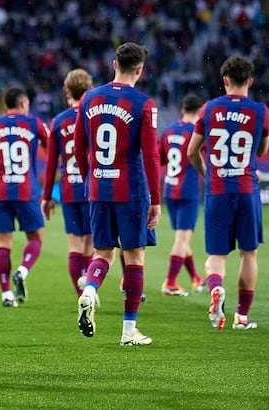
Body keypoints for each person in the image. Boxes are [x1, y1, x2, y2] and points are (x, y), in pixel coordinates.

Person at [72, 42, 161, 346]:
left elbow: (78, 149)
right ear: (139, 69)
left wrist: (90, 178)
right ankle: (128, 331)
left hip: (98, 186)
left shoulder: (88, 98)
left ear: (114, 64)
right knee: (134, 257)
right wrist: (157, 200)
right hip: (131, 189)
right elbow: (151, 156)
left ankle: (90, 289)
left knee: (103, 253)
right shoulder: (144, 103)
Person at [187, 55, 269, 331]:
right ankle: (242, 316)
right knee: (249, 254)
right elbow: (261, 151)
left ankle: (215, 288)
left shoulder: (209, 109)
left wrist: (207, 172)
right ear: (250, 81)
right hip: (247, 188)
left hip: (218, 188)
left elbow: (192, 151)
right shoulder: (261, 111)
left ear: (224, 80)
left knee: (217, 256)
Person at [0, 87, 49, 307]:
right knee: (36, 239)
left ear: (6, 104)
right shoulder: (34, 124)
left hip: (0, 191)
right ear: (24, 103)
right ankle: (22, 270)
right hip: (27, 190)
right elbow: (51, 145)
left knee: (3, 244)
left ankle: (6, 294)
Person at [41, 68, 94, 297]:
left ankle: (80, 296)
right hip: (93, 189)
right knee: (91, 246)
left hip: (69, 189)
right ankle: (90, 289)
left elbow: (51, 163)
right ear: (89, 89)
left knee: (74, 245)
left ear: (67, 91)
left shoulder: (59, 121)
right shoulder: (95, 115)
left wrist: (46, 197)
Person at [158, 94, 205, 297]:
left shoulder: (168, 131)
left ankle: (195, 277)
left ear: (182, 110)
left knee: (181, 238)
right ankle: (170, 282)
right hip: (188, 191)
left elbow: (161, 159)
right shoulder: (198, 132)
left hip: (170, 189)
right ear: (200, 111)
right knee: (182, 239)